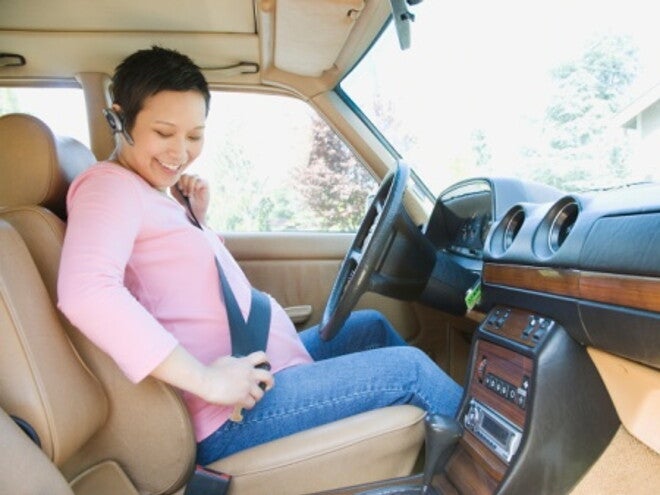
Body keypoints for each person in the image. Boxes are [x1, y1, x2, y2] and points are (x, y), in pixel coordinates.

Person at [57, 46, 463, 464]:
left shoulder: (150, 194)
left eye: (194, 135)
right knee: (410, 371)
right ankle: (509, 470)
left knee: (371, 327)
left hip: (258, 371)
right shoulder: (108, 187)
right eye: (164, 133)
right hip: (230, 412)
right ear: (119, 119)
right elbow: (86, 292)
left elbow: (178, 282)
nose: (180, 153)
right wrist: (208, 381)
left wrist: (197, 221)